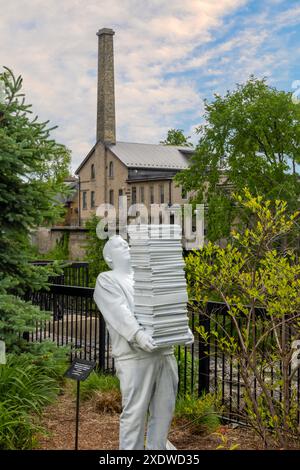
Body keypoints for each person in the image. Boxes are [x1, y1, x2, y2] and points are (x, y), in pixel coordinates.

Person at [93, 234, 193, 450]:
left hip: (164, 353)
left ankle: (157, 450)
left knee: (164, 409)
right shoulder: (107, 280)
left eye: (127, 244)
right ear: (109, 258)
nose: (127, 247)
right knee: (135, 413)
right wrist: (138, 334)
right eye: (120, 246)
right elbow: (120, 313)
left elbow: (166, 303)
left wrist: (182, 328)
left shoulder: (146, 277)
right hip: (135, 357)